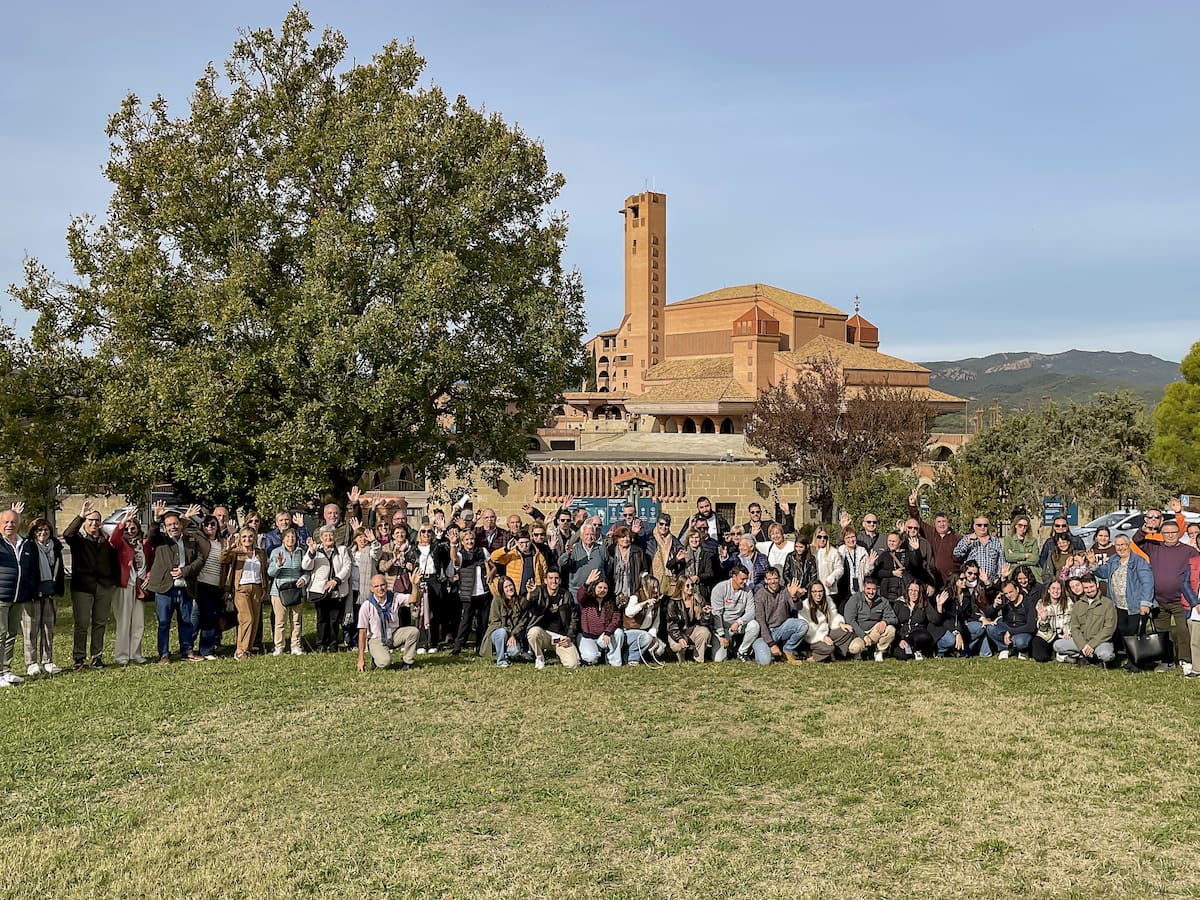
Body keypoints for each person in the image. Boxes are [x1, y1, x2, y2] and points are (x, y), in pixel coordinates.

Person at [145, 502, 205, 664]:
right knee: (164, 623)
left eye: (176, 524)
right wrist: (156, 518)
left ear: (181, 525)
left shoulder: (190, 540)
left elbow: (200, 560)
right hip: (165, 589)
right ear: (165, 528)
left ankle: (187, 650)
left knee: (186, 621)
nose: (173, 527)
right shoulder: (160, 540)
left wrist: (184, 571)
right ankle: (164, 654)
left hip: (185, 588)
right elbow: (151, 534)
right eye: (169, 525)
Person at [1135, 519, 1198, 673]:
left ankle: (1185, 659)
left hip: (1181, 600)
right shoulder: (1154, 546)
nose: (1170, 535)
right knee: (1163, 632)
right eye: (1166, 533)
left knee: (1183, 631)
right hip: (1158, 600)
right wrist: (1146, 528)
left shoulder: (1188, 551)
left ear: (1179, 534)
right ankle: (1167, 660)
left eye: (1173, 532)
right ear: (1161, 534)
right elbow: (1137, 540)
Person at [62, 499, 119, 669]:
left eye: (96, 520)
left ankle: (97, 656)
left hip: (104, 587)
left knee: (100, 622)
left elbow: (114, 563)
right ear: (85, 523)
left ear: (101, 524)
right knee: (82, 623)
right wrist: (80, 516)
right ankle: (79, 658)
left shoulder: (106, 542)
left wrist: (112, 582)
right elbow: (67, 534)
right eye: (90, 520)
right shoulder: (78, 540)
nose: (94, 523)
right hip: (83, 588)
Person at [1089, 535, 1153, 663]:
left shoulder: (1138, 561)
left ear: (1128, 544)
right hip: (1118, 604)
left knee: (1134, 633)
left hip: (1134, 605)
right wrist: (1093, 564)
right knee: (1122, 631)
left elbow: (1148, 582)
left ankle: (1137, 661)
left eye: (1123, 544)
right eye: (1118, 545)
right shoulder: (1114, 559)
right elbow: (1103, 573)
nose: (1121, 548)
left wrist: (1145, 603)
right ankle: (1127, 657)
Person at [108, 508, 153, 666]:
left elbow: (150, 564)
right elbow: (113, 540)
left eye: (133, 528)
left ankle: (136, 653)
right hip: (124, 585)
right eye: (127, 528)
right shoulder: (120, 543)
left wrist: (148, 577)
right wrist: (122, 523)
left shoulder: (144, 544)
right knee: (124, 621)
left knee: (138, 621)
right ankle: (122, 655)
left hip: (140, 586)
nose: (130, 531)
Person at [21, 517, 64, 676]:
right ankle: (31, 663)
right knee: (30, 630)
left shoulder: (55, 547)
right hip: (32, 593)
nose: (43, 533)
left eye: (46, 530)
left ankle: (48, 661)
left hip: (50, 592)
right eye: (39, 530)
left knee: (48, 628)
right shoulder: (28, 546)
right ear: (33, 532)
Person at [221, 527, 269, 660]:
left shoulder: (259, 553)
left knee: (255, 619)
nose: (247, 539)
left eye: (250, 536)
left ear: (254, 538)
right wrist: (228, 548)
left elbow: (264, 571)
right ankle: (240, 650)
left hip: (257, 587)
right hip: (241, 588)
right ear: (240, 539)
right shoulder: (236, 552)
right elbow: (222, 559)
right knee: (246, 618)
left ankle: (247, 649)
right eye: (244, 537)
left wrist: (265, 588)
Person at [302, 525, 352, 653]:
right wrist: (311, 553)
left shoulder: (342, 550)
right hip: (320, 590)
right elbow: (306, 566)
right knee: (322, 619)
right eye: (325, 536)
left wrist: (336, 580)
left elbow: (347, 567)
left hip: (337, 589)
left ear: (335, 537)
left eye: (331, 535)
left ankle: (333, 644)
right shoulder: (315, 549)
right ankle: (321, 644)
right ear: (321, 538)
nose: (328, 538)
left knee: (334, 619)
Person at [356, 574, 419, 671]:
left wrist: (414, 585)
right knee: (385, 662)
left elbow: (413, 599)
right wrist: (361, 659)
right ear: (371, 589)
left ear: (387, 585)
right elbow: (362, 632)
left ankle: (407, 661)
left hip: (393, 635)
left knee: (413, 631)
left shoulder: (394, 597)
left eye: (382, 585)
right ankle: (376, 659)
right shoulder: (367, 606)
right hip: (376, 639)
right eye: (376, 586)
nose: (380, 588)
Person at [0, 506, 34, 686]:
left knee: (12, 634)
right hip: (1, 597)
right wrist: (12, 512)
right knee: (0, 634)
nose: (9, 525)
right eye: (5, 522)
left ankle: (6, 670)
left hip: (18, 596)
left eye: (13, 522)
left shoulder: (23, 544)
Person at [1053, 574, 1116, 666]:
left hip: (1100, 642)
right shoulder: (1078, 605)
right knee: (1057, 645)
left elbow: (1109, 628)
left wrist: (1092, 644)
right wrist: (1082, 645)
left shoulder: (1107, 603)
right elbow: (1074, 627)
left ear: (1097, 585)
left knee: (1107, 655)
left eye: (1091, 587)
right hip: (1082, 641)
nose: (1089, 590)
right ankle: (1086, 654)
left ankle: (1090, 657)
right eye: (1086, 588)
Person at [750, 567, 807, 665]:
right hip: (764, 634)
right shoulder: (760, 595)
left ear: (779, 579)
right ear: (765, 580)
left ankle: (787, 651)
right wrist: (771, 644)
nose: (773, 581)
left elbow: (798, 607)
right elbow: (761, 622)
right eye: (770, 579)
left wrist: (794, 596)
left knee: (803, 625)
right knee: (765, 662)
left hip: (781, 628)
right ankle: (765, 652)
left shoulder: (784, 590)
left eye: (775, 578)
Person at [448, 528, 490, 656]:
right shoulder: (461, 554)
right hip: (468, 594)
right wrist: (453, 544)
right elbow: (454, 559)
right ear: (463, 542)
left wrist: (491, 574)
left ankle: (481, 648)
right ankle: (457, 648)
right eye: (467, 540)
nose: (470, 542)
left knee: (483, 622)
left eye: (471, 539)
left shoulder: (482, 551)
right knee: (465, 622)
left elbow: (491, 565)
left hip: (483, 592)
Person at [908, 488, 962, 589]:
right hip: (933, 581)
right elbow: (917, 520)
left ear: (948, 522)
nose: (942, 524)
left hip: (951, 581)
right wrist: (913, 505)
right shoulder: (930, 533)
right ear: (935, 523)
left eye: (944, 521)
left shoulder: (957, 538)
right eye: (939, 522)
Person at [526, 570, 580, 670]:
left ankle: (559, 654)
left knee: (573, 664)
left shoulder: (566, 595)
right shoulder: (539, 591)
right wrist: (530, 594)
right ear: (545, 580)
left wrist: (569, 637)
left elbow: (574, 618)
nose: (554, 581)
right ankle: (540, 657)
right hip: (544, 636)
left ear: (559, 580)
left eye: (556, 578)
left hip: (560, 638)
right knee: (533, 632)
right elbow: (528, 606)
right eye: (550, 578)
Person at [266, 526, 306, 655]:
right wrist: (278, 565)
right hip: (279, 591)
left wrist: (304, 579)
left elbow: (307, 571)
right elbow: (270, 573)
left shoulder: (301, 552)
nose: (291, 539)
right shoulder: (276, 552)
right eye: (288, 536)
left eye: (293, 536)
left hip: (297, 590)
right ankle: (279, 646)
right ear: (283, 539)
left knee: (296, 620)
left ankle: (296, 645)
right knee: (280, 620)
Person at [800, 580, 860, 662]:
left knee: (848, 632)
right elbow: (807, 630)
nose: (818, 594)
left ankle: (838, 653)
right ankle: (813, 655)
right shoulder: (805, 606)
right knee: (829, 648)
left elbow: (833, 615)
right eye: (815, 591)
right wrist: (822, 637)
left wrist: (840, 623)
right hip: (814, 637)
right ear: (810, 593)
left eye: (820, 591)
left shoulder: (827, 600)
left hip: (828, 631)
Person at [709, 564, 759, 662]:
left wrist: (739, 622)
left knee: (754, 625)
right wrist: (722, 635)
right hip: (723, 626)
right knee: (719, 659)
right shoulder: (720, 588)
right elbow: (716, 614)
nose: (745, 582)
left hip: (738, 625)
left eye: (746, 579)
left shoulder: (747, 590)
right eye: (742, 579)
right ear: (734, 576)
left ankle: (742, 652)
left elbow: (751, 612)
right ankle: (727, 647)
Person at [576, 569, 624, 666]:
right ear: (594, 587)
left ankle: (614, 661)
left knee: (618, 632)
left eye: (605, 588)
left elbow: (616, 619)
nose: (602, 590)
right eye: (600, 587)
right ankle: (598, 654)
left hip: (603, 637)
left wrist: (608, 632)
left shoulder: (610, 602)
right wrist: (586, 583)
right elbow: (580, 596)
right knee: (591, 658)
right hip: (588, 637)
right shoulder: (586, 600)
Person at [843, 576, 898, 661]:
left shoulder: (883, 601)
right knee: (855, 648)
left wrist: (885, 622)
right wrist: (863, 636)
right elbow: (850, 620)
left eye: (874, 589)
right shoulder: (855, 599)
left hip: (874, 631)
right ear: (863, 588)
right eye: (868, 589)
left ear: (877, 588)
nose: (871, 592)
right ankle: (860, 653)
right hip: (858, 633)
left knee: (890, 630)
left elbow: (894, 618)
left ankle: (879, 651)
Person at [622, 575, 667, 665]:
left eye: (657, 587)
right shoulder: (636, 597)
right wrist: (643, 604)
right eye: (653, 588)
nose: (656, 590)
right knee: (646, 637)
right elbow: (628, 612)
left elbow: (656, 622)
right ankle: (632, 659)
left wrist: (653, 636)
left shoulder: (657, 601)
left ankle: (644, 656)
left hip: (645, 632)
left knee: (660, 648)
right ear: (646, 587)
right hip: (630, 631)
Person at [986, 579, 1038, 659]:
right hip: (1008, 626)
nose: (1009, 595)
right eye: (1006, 593)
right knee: (990, 628)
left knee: (1021, 642)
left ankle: (1023, 650)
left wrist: (1011, 632)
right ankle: (1004, 648)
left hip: (1023, 629)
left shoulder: (1028, 601)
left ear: (1017, 589)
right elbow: (987, 614)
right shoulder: (1005, 600)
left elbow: (1031, 626)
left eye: (1011, 592)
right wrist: (994, 606)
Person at [665, 576, 712, 662]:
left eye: (692, 585)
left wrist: (706, 614)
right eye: (687, 586)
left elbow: (704, 623)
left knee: (705, 632)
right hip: (678, 631)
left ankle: (699, 659)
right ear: (681, 587)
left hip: (692, 630)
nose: (691, 588)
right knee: (678, 646)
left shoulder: (698, 598)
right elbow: (672, 625)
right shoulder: (673, 602)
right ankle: (682, 658)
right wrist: (679, 638)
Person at [558, 519, 610, 596]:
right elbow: (561, 563)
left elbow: (608, 568)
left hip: (597, 592)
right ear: (581, 536)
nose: (589, 537)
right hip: (577, 591)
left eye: (592, 534)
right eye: (587, 534)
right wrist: (567, 554)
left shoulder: (602, 549)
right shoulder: (574, 549)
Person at [669, 527, 719, 601]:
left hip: (699, 590)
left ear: (700, 539)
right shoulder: (682, 552)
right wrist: (676, 559)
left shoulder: (706, 555)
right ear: (688, 539)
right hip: (683, 590)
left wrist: (698, 577)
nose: (694, 540)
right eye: (692, 537)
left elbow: (710, 573)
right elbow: (669, 566)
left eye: (697, 537)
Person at [954, 516, 1006, 584]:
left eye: (985, 525)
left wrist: (998, 578)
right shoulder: (967, 538)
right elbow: (956, 554)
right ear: (974, 526)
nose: (982, 527)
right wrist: (967, 543)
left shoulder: (995, 541)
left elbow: (1001, 561)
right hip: (972, 581)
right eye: (979, 525)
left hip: (991, 582)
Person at [893, 578, 936, 660]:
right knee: (901, 655)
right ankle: (915, 652)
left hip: (918, 635)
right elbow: (894, 623)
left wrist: (938, 606)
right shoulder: (899, 603)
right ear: (907, 590)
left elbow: (935, 619)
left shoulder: (924, 603)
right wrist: (900, 639)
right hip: (902, 635)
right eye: (911, 590)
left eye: (916, 591)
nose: (913, 593)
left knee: (922, 636)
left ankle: (918, 649)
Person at [643, 514, 683, 597]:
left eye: (667, 525)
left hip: (670, 579)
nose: (664, 527)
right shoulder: (648, 539)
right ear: (656, 524)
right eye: (661, 524)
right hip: (653, 579)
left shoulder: (674, 541)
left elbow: (681, 554)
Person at [1031, 578, 1070, 663]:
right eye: (1053, 588)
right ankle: (1053, 653)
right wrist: (1043, 619)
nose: (1055, 591)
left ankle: (1059, 653)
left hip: (1061, 636)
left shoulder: (1068, 603)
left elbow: (1069, 621)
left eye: (1058, 589)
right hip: (1045, 635)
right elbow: (1042, 629)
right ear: (1048, 590)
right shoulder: (1041, 603)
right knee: (1041, 657)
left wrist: (1067, 631)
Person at [812, 528, 844, 601]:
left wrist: (831, 579)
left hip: (829, 591)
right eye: (819, 537)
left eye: (825, 537)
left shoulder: (833, 552)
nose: (822, 539)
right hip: (813, 592)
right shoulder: (811, 551)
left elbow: (840, 569)